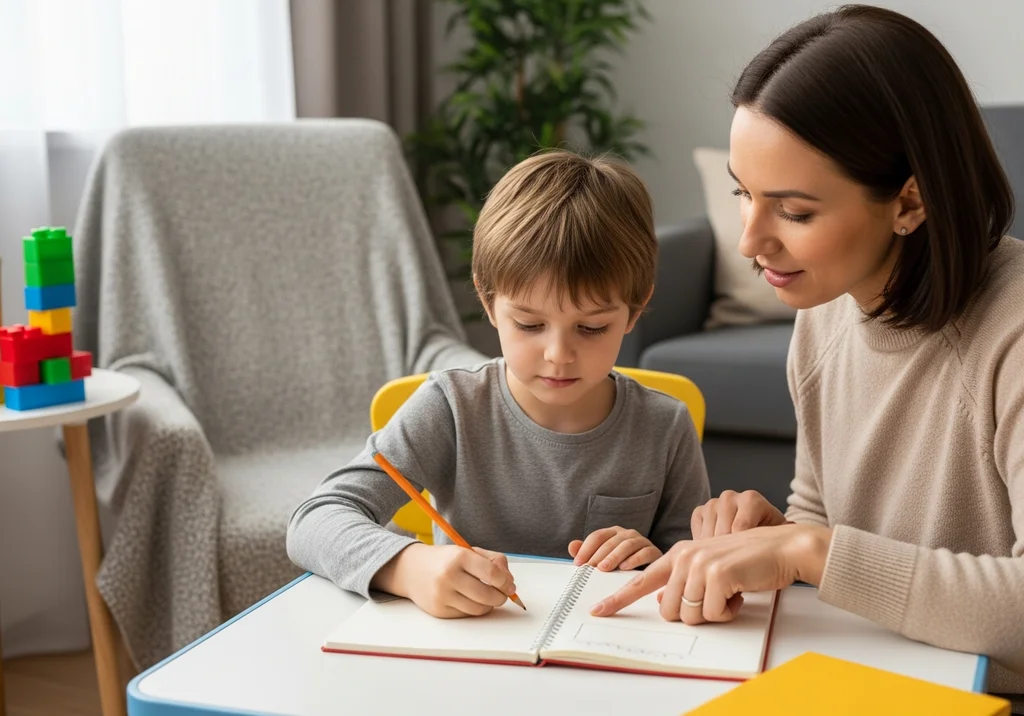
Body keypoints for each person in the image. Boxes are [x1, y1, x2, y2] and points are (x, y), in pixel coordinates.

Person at [590, 5, 1024, 707]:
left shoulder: (1014, 333)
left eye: (794, 212)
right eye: (743, 194)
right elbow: (825, 518)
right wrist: (773, 537)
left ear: (909, 202)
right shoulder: (826, 310)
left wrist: (808, 554)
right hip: (865, 680)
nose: (749, 241)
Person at [287, 150, 710, 619]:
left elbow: (696, 564)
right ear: (488, 302)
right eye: (529, 325)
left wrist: (655, 560)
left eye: (591, 328)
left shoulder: (665, 426)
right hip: (469, 655)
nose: (558, 354)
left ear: (635, 309)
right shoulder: (451, 408)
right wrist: (408, 567)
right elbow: (315, 520)